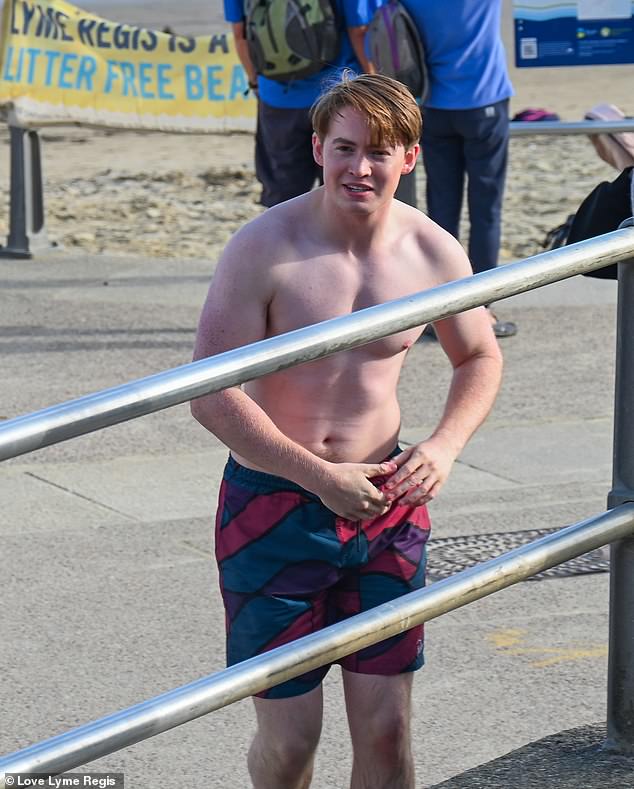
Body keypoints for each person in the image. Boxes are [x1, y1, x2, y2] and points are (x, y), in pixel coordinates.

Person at [191, 73, 503, 788]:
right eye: (344, 148)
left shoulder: (433, 253)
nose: (359, 167)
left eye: (379, 151)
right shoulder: (264, 247)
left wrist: (444, 444)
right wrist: (317, 476)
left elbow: (480, 353)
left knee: (389, 736)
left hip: (386, 503)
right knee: (291, 742)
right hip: (274, 507)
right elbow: (210, 391)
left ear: (410, 159)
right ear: (317, 149)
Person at [377, 0, 517, 338]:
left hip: (433, 103)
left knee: (441, 210)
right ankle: (482, 308)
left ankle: (440, 308)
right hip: (483, 100)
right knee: (485, 210)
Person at [224, 0, 374, 207]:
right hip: (339, 95)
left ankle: (282, 236)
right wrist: (375, 85)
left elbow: (240, 35)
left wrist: (255, 82)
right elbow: (359, 30)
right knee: (343, 186)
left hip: (278, 96)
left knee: (283, 191)